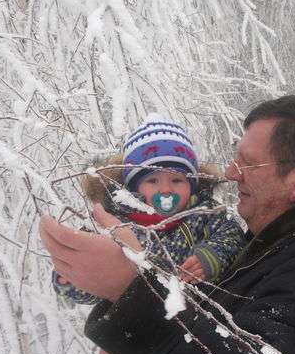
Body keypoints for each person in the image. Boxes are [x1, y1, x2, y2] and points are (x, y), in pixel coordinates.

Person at [40, 96, 295, 354]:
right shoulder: (264, 250)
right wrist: (132, 344)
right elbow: (202, 340)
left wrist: (132, 291)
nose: (230, 172)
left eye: (248, 163)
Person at [52, 114, 245, 305]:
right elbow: (98, 275)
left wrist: (211, 257)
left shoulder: (206, 213)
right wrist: (73, 280)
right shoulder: (112, 224)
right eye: (153, 181)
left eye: (177, 180)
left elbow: (233, 234)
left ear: (192, 185)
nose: (167, 189)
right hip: (143, 317)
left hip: (200, 313)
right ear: (134, 188)